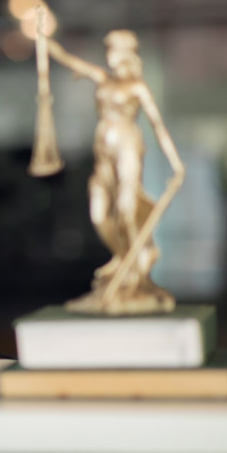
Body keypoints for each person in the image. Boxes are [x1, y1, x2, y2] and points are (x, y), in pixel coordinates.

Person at [41, 29, 185, 315]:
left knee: (128, 209)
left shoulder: (137, 86)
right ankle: (126, 259)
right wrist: (43, 39)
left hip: (128, 147)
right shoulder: (101, 77)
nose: (110, 55)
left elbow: (156, 124)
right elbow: (69, 60)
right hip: (103, 150)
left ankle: (135, 276)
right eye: (108, 50)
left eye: (115, 50)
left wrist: (176, 162)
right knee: (99, 213)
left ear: (127, 54)